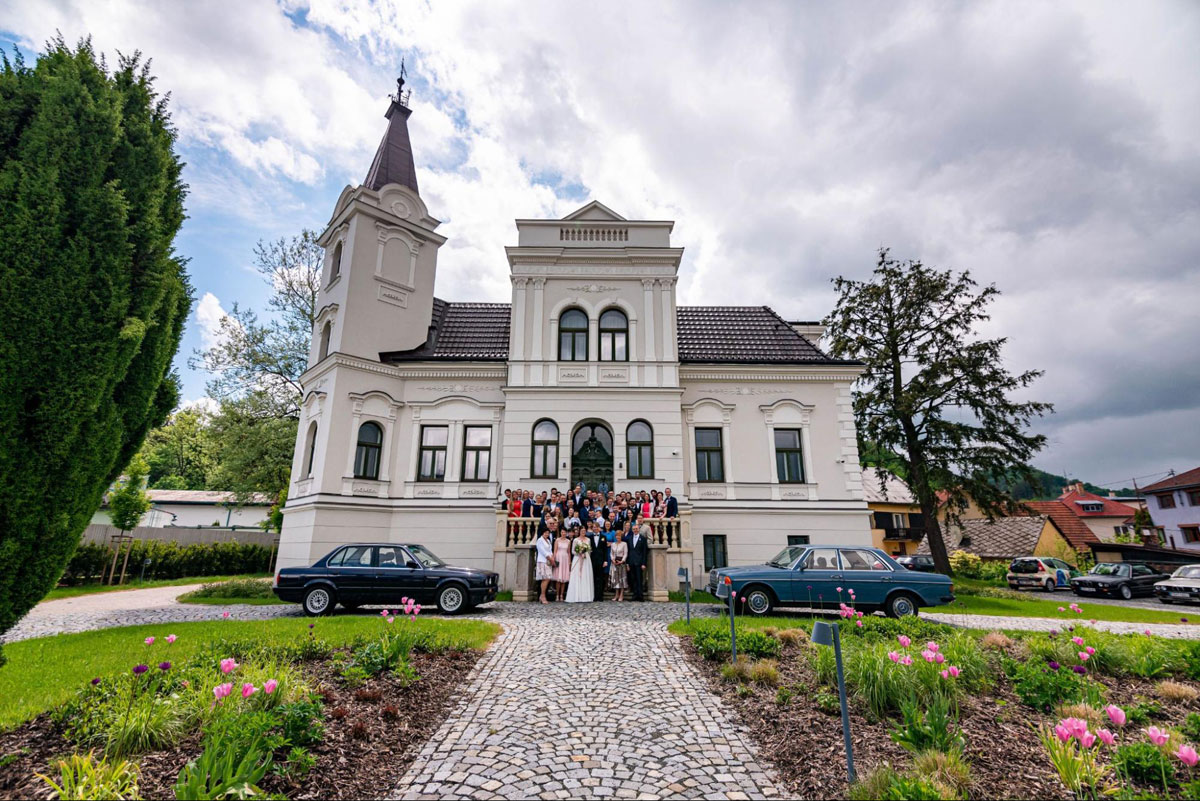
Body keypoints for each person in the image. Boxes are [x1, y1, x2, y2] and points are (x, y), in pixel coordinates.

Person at [565, 528, 594, 603]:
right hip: (577, 558)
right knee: (577, 576)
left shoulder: (588, 540)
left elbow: (589, 550)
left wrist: (586, 554)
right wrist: (579, 552)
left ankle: (586, 596)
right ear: (579, 532)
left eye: (584, 531)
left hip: (586, 559)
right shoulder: (575, 540)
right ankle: (576, 595)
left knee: (585, 575)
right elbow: (573, 551)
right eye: (582, 531)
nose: (583, 532)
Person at [628, 521, 650, 601]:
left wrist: (644, 563)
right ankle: (634, 595)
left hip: (639, 562)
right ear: (632, 530)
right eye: (634, 529)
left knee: (639, 579)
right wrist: (628, 563)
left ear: (639, 529)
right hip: (631, 562)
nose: (635, 530)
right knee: (633, 579)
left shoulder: (643, 539)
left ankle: (640, 596)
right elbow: (629, 551)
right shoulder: (629, 539)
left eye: (636, 529)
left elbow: (644, 552)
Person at [552, 525, 572, 601]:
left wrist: (569, 561)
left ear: (566, 533)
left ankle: (561, 595)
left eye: (564, 532)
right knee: (558, 578)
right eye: (562, 532)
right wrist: (554, 559)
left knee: (564, 578)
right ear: (560, 532)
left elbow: (569, 552)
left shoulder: (568, 541)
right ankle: (557, 595)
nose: (563, 533)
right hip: (558, 558)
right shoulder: (557, 540)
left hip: (565, 558)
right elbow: (555, 551)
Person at [590, 523, 609, 600]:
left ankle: (600, 596)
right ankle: (594, 595)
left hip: (601, 560)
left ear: (599, 528)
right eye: (593, 527)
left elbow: (605, 550)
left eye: (596, 527)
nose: (595, 528)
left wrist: (605, 560)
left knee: (601, 578)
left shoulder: (603, 537)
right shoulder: (590, 537)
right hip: (592, 560)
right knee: (593, 578)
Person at [535, 527, 554, 604]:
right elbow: (542, 551)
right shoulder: (540, 540)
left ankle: (542, 595)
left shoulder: (548, 541)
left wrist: (552, 557)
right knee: (545, 578)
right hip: (543, 561)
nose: (547, 534)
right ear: (543, 533)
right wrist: (550, 558)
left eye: (548, 533)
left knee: (548, 578)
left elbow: (550, 550)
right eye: (545, 532)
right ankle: (542, 595)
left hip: (548, 562)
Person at [608, 529, 629, 601]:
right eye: (617, 536)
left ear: (621, 537)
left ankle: (621, 595)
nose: (618, 537)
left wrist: (622, 561)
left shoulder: (624, 544)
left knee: (622, 579)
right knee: (616, 579)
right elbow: (611, 553)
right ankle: (616, 594)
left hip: (621, 563)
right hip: (614, 563)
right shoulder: (613, 544)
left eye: (619, 536)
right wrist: (612, 559)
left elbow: (625, 553)